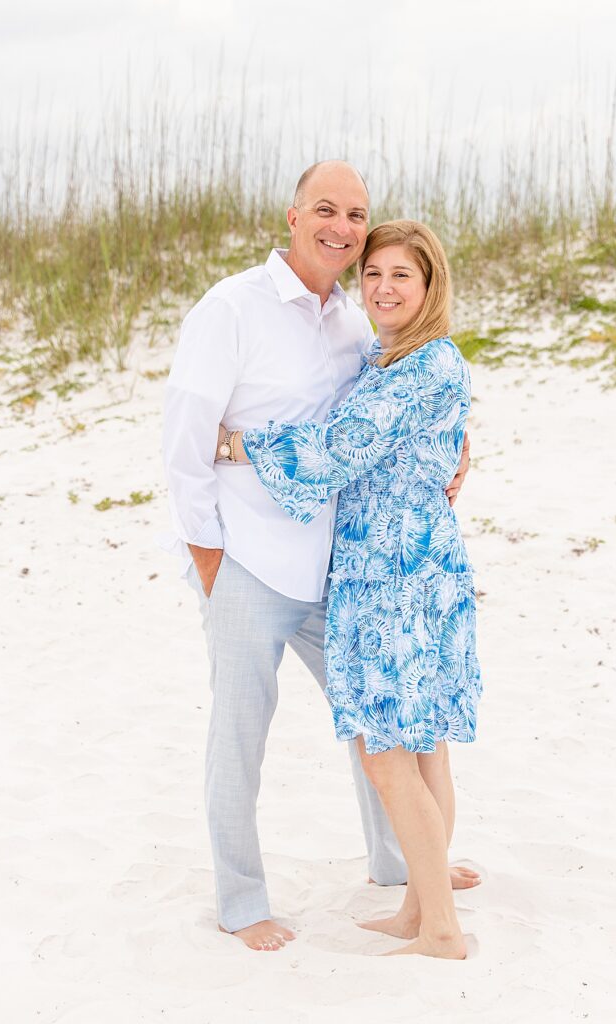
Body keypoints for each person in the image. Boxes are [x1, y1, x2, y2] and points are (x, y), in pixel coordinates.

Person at [161, 162, 475, 954]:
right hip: (252, 566)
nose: (342, 227)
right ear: (293, 215)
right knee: (240, 736)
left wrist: (452, 444)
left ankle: (412, 870)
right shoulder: (231, 307)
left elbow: (371, 422)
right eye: (326, 211)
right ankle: (241, 903)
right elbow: (185, 440)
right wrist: (208, 557)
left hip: (347, 569)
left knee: (389, 732)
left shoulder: (352, 318)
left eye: (357, 216)